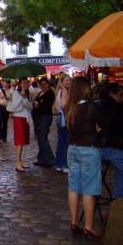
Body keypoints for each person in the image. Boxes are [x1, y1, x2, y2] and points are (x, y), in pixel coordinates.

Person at [65, 76, 102, 239]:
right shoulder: (91, 107)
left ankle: (73, 222)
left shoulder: (69, 107)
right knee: (89, 188)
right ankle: (88, 226)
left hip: (73, 149)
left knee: (73, 187)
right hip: (88, 149)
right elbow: (100, 126)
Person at [98, 83, 123, 199]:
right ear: (112, 94)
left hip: (94, 148)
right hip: (111, 147)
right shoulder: (117, 108)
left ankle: (92, 197)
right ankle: (119, 198)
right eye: (120, 95)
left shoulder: (96, 105)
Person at [9, 78, 32, 172]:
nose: (25, 85)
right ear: (20, 84)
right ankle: (17, 162)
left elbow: (30, 107)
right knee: (19, 141)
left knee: (22, 141)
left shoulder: (27, 93)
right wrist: (22, 97)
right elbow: (14, 106)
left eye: (27, 83)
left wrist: (25, 98)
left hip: (25, 118)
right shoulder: (16, 93)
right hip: (18, 118)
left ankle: (20, 161)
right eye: (24, 83)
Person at [32, 77, 56, 167]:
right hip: (38, 117)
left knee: (43, 138)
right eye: (41, 84)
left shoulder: (50, 93)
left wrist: (38, 104)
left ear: (48, 84)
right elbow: (35, 102)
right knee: (40, 138)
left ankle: (50, 159)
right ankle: (42, 158)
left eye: (45, 84)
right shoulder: (40, 93)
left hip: (45, 117)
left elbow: (45, 105)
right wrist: (36, 104)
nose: (43, 86)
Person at [53, 74, 71, 173]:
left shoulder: (59, 91)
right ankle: (64, 164)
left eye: (69, 80)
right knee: (65, 142)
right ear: (62, 81)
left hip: (60, 117)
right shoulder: (64, 91)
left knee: (61, 141)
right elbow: (64, 106)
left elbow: (56, 106)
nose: (68, 82)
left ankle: (59, 164)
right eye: (66, 80)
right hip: (64, 118)